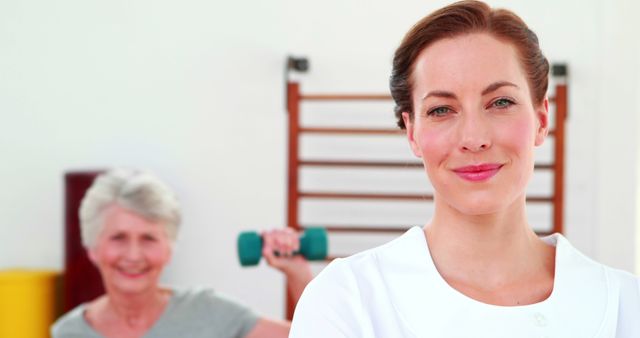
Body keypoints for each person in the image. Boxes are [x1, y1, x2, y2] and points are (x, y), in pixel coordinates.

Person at [289, 1, 640, 337]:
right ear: (412, 132)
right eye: (442, 110)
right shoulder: (347, 301)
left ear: (541, 119)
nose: (473, 138)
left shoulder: (626, 305)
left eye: (500, 102)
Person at [51, 168, 313, 338]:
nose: (133, 254)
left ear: (169, 249)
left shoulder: (208, 312)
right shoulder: (69, 332)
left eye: (149, 238)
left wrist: (297, 272)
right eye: (118, 238)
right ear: (92, 248)